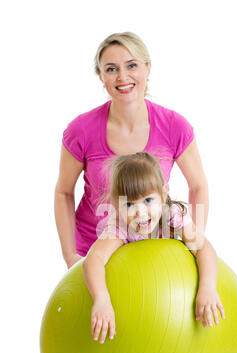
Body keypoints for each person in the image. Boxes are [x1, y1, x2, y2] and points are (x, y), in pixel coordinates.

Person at [54, 32, 209, 269]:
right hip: (93, 253)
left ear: (147, 68)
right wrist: (70, 256)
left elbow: (198, 187)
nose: (122, 76)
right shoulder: (80, 130)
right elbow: (64, 192)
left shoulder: (175, 126)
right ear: (101, 76)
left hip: (154, 252)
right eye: (111, 69)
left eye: (132, 65)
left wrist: (193, 247)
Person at [82, 152, 225, 345]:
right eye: (130, 204)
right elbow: (94, 259)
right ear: (116, 205)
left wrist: (207, 287)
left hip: (176, 304)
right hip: (138, 309)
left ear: (163, 194)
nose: (140, 212)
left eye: (148, 200)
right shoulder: (120, 226)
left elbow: (203, 249)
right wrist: (101, 299)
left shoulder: (172, 216)